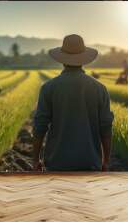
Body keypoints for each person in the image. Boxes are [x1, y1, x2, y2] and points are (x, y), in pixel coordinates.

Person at [33, 34, 114, 172]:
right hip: (90, 162)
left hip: (56, 163)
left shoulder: (48, 88)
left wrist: (36, 159)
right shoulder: (100, 89)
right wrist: (105, 160)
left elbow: (40, 127)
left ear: (62, 59)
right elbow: (106, 128)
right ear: (83, 59)